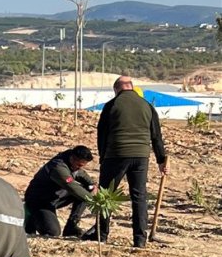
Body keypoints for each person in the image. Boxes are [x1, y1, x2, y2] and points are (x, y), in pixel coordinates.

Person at [90, 75, 168, 248]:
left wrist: (103, 157)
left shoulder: (111, 105)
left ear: (116, 89)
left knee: (106, 195)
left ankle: (101, 234)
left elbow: (102, 134)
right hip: (141, 156)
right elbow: (156, 135)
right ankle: (140, 240)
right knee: (139, 197)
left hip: (116, 155)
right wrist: (161, 160)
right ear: (131, 87)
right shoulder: (147, 105)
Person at [24, 145, 95, 238]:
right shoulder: (58, 168)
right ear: (72, 159)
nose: (79, 168)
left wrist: (92, 185)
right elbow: (72, 187)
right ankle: (31, 218)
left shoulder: (71, 161)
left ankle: (71, 226)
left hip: (53, 198)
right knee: (53, 232)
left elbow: (81, 174)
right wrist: (94, 201)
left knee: (86, 190)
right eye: (79, 165)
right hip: (39, 201)